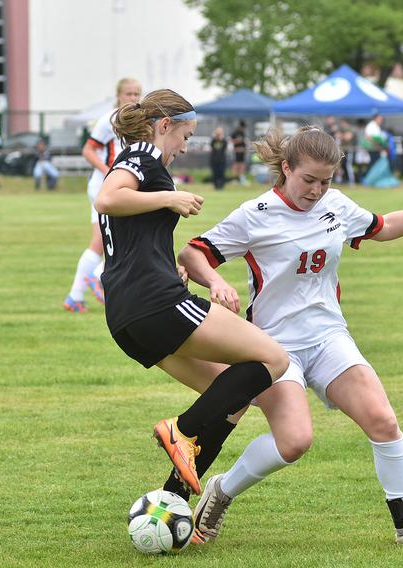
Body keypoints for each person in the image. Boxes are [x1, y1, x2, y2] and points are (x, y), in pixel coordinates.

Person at [178, 126, 403, 549]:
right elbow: (194, 252)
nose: (317, 190)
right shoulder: (257, 213)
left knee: (383, 420)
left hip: (328, 337)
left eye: (326, 181)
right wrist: (215, 281)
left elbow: (384, 226)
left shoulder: (335, 205)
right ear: (286, 168)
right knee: (294, 442)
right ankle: (222, 490)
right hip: (272, 348)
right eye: (309, 179)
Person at [93, 88, 289, 497]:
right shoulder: (142, 155)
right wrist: (171, 196)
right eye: (186, 136)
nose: (185, 148)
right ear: (165, 126)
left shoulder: (142, 161)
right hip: (155, 303)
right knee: (273, 358)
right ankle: (179, 429)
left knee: (230, 397)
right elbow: (108, 198)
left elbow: (133, 244)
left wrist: (172, 267)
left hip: (127, 315)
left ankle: (172, 501)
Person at [63, 77, 142, 314]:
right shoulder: (109, 120)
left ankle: (74, 297)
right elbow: (88, 149)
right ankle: (98, 277)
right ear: (118, 96)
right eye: (129, 94)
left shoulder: (138, 119)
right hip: (105, 186)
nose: (133, 99)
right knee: (123, 236)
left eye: (137, 94)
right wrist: (108, 170)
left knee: (98, 243)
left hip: (117, 185)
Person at [209, 126, 228, 191]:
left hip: (222, 160)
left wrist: (220, 138)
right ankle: (216, 186)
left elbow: (224, 147)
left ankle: (222, 186)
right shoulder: (213, 140)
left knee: (221, 173)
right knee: (215, 174)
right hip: (214, 160)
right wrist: (216, 137)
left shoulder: (224, 141)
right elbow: (212, 146)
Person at [231, 120, 248, 184]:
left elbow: (244, 142)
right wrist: (237, 141)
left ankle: (242, 179)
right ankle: (235, 179)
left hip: (242, 152)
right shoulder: (235, 133)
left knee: (242, 165)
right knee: (236, 165)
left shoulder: (243, 133)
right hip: (237, 152)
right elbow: (231, 141)